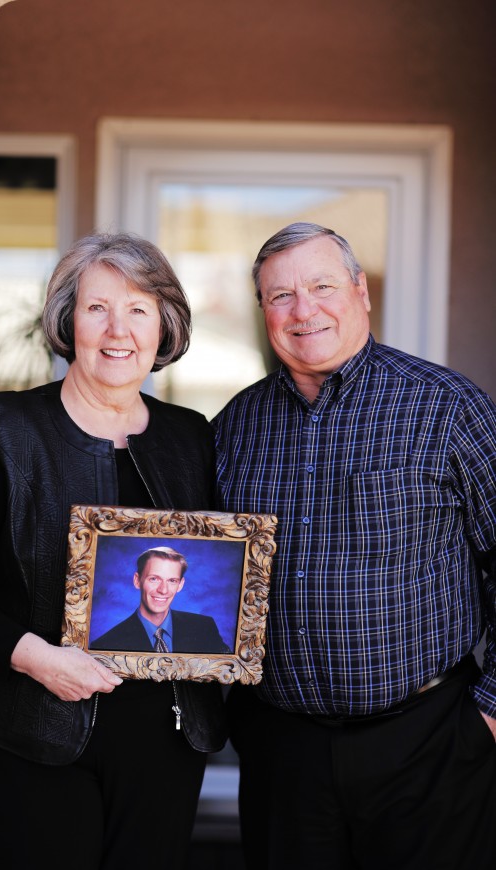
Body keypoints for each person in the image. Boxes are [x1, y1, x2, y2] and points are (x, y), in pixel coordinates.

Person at [0, 232, 227, 870]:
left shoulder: (190, 437)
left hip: (165, 740)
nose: (119, 330)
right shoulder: (6, 429)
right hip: (33, 730)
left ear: (164, 326)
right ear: (67, 321)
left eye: (139, 309)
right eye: (97, 308)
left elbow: (215, 578)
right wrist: (37, 660)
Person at [213, 222, 496, 870]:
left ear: (361, 292)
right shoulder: (235, 427)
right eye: (280, 295)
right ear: (263, 311)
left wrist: (489, 715)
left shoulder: (447, 408)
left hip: (428, 744)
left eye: (321, 286)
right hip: (285, 754)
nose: (303, 309)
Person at [91, 545, 230, 653]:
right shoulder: (105, 644)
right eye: (154, 579)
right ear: (137, 580)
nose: (163, 590)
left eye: (172, 581)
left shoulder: (205, 628)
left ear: (180, 585)